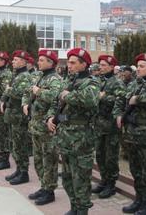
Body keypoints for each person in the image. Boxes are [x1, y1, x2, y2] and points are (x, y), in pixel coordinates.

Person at [46, 48, 100, 215]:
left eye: (73, 63)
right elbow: (57, 104)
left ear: (84, 65)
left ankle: (82, 210)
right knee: (68, 178)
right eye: (68, 62)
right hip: (65, 137)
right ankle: (74, 207)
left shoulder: (91, 82)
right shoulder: (67, 82)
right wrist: (50, 118)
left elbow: (89, 100)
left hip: (82, 139)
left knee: (81, 179)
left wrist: (66, 96)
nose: (69, 66)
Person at [114, 52, 146, 215]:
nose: (138, 69)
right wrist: (120, 114)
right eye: (138, 66)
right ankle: (138, 199)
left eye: (142, 66)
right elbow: (123, 99)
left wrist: (138, 99)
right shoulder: (136, 84)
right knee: (136, 170)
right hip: (133, 135)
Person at [23, 49, 62, 205]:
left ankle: (50, 190)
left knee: (49, 160)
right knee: (38, 159)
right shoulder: (39, 76)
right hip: (35, 125)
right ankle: (43, 186)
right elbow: (27, 91)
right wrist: (25, 103)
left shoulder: (55, 79)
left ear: (50, 62)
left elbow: (55, 98)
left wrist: (39, 92)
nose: (38, 62)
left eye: (42, 60)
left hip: (46, 127)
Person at [92, 55, 125, 199]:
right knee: (99, 155)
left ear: (112, 67)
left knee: (110, 156)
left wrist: (103, 97)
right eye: (100, 64)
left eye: (104, 65)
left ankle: (111, 184)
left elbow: (122, 100)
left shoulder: (117, 82)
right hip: (99, 125)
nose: (101, 67)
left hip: (111, 127)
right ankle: (103, 180)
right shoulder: (99, 81)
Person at [1, 50, 32, 185]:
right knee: (15, 145)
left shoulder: (25, 76)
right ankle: (19, 169)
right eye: (13, 60)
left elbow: (21, 94)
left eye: (16, 60)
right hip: (13, 115)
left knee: (21, 145)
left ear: (24, 62)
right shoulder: (17, 75)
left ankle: (24, 172)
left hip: (19, 116)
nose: (13, 62)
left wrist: (7, 89)